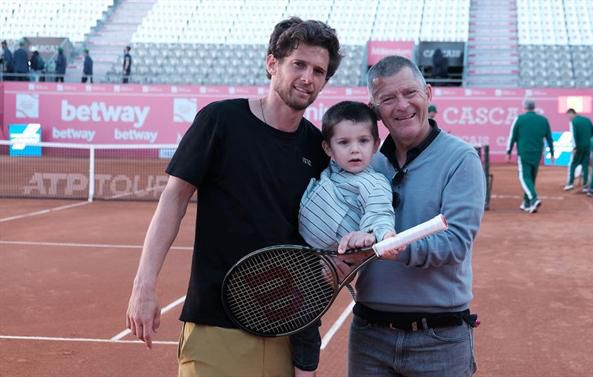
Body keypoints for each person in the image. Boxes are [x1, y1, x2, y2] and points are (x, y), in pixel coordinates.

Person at [124, 17, 342, 377]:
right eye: (298, 64)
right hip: (214, 327)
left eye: (318, 71)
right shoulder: (220, 121)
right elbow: (173, 200)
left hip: (284, 331)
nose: (308, 77)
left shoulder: (317, 150)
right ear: (272, 63)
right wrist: (143, 286)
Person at [346, 55, 486, 377]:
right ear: (374, 108)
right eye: (388, 99)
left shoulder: (461, 159)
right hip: (369, 335)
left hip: (440, 339)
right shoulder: (364, 165)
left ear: (428, 93)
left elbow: (455, 242)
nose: (402, 105)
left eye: (410, 93)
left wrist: (396, 247)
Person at [297, 100, 396, 374]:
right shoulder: (330, 171)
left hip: (326, 266)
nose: (355, 149)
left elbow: (380, 213)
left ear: (375, 145)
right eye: (344, 142)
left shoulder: (374, 182)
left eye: (363, 141)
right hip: (302, 256)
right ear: (328, 149)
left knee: (302, 324)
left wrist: (375, 234)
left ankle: (305, 372)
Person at [506, 99, 554, 213]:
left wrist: (508, 151)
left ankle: (533, 198)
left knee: (524, 177)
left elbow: (512, 136)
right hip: (537, 153)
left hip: (524, 152)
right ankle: (526, 203)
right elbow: (549, 138)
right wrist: (552, 152)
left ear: (524, 107)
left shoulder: (520, 119)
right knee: (531, 177)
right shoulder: (543, 120)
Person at [564, 108, 593, 191]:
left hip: (579, 147)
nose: (568, 118)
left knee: (573, 165)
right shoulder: (587, 120)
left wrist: (574, 148)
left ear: (572, 113)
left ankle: (570, 183)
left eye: (568, 115)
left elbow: (573, 136)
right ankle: (585, 185)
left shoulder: (573, 122)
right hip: (588, 146)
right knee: (585, 165)